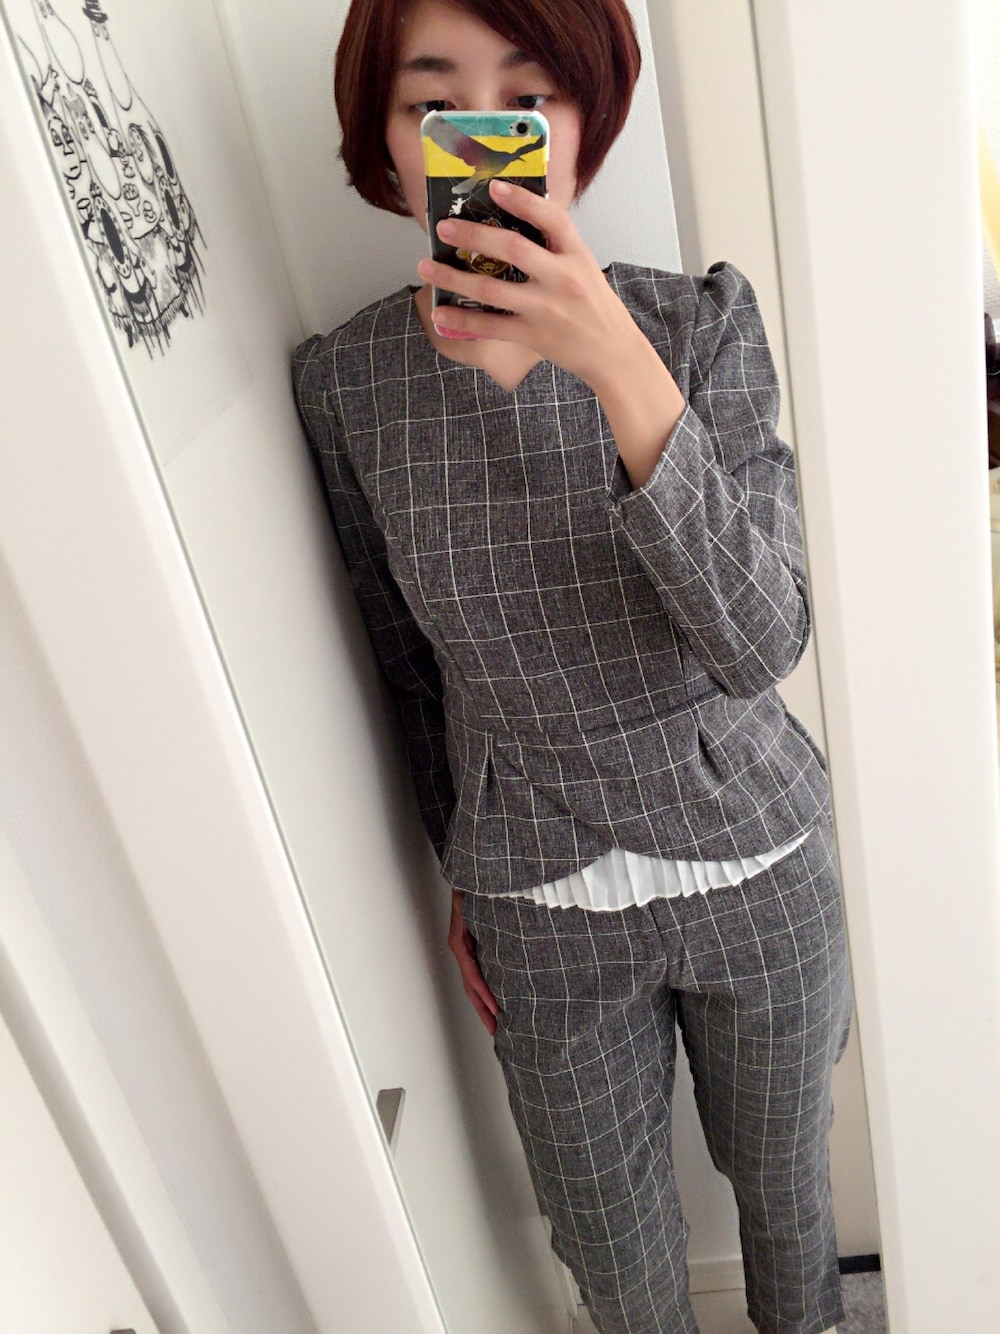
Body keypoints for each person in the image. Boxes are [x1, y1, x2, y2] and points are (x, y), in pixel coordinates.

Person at [292, 2, 851, 1331]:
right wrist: (463, 855)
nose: (483, 136)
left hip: (755, 859)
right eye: (436, 102)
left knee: (787, 1202)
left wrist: (613, 360)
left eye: (529, 99)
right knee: (609, 1246)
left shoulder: (697, 325)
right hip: (537, 903)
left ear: (585, 124)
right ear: (385, 135)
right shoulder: (349, 385)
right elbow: (402, 664)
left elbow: (763, 636)